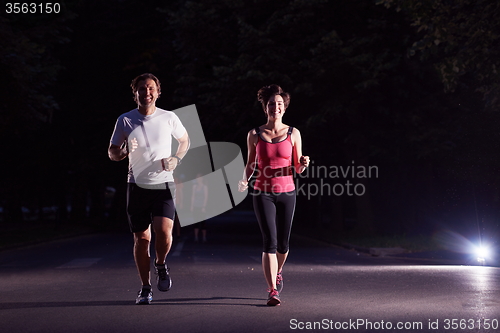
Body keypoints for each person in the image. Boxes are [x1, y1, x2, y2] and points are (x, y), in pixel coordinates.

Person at [108, 73, 190, 305]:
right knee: (142, 239)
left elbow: (185, 141)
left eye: (151, 88)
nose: (147, 92)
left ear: (158, 92)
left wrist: (176, 159)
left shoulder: (169, 117)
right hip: (136, 186)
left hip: (163, 183)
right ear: (135, 93)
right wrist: (123, 151)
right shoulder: (125, 120)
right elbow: (112, 152)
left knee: (164, 232)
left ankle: (161, 264)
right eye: (142, 89)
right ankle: (145, 288)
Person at [238, 84, 309, 306]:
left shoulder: (293, 133)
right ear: (265, 107)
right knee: (269, 242)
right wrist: (244, 179)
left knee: (283, 245)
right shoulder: (254, 134)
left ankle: (277, 271)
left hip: (287, 192)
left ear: (284, 108)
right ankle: (272, 290)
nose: (275, 107)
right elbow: (251, 163)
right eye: (271, 104)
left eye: (279, 104)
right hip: (262, 192)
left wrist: (303, 164)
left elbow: (297, 167)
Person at [191, 174, 208, 243]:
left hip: (202, 206)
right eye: (197, 178)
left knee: (203, 222)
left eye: (199, 178)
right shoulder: (194, 187)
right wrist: (191, 206)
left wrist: (204, 206)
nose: (198, 179)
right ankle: (196, 237)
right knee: (196, 221)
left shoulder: (205, 187)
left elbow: (206, 197)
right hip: (195, 206)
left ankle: (204, 237)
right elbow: (193, 196)